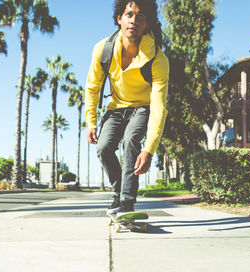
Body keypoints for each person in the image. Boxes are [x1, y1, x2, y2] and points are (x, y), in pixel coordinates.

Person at [85, 0, 169, 215]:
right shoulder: (103, 49)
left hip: (142, 108)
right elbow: (92, 87)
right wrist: (92, 122)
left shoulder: (158, 59)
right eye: (129, 14)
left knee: (132, 140)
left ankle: (127, 202)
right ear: (119, 19)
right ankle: (119, 192)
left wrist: (149, 149)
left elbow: (159, 106)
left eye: (140, 16)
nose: (134, 20)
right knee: (103, 148)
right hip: (115, 109)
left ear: (147, 23)